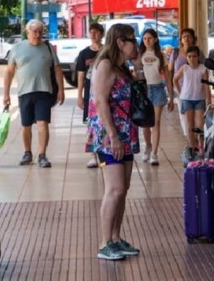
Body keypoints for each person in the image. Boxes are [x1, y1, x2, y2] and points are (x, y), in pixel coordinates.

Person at [87, 23, 141, 261]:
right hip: (110, 136)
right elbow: (99, 102)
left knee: (124, 189)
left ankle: (116, 238)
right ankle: (105, 242)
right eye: (132, 40)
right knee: (115, 188)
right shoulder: (106, 65)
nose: (136, 44)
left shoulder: (122, 67)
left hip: (125, 133)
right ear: (120, 41)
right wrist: (113, 136)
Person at [3, 19, 65, 168]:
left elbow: (57, 70)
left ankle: (42, 155)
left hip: (44, 91)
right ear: (27, 31)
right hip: (24, 92)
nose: (37, 35)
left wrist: (61, 90)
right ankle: (27, 152)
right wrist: (6, 94)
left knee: (43, 123)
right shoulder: (17, 48)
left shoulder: (48, 48)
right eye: (34, 31)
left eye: (40, 32)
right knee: (26, 125)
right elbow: (9, 73)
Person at [135, 29, 175, 166]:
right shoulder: (139, 55)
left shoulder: (161, 55)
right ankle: (148, 145)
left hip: (157, 88)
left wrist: (171, 96)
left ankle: (154, 153)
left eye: (150, 38)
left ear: (156, 39)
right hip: (144, 89)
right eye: (145, 38)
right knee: (145, 123)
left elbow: (168, 78)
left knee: (155, 122)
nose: (147, 41)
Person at [173, 45, 211, 160]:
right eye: (189, 56)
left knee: (199, 125)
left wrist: (208, 100)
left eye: (194, 56)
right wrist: (180, 93)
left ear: (198, 57)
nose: (192, 59)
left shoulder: (203, 69)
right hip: (187, 99)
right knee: (189, 125)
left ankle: (200, 146)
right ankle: (191, 148)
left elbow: (206, 86)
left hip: (199, 99)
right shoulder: (184, 68)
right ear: (187, 58)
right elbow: (175, 79)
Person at [75, 22, 105, 168]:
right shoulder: (84, 54)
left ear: (102, 34)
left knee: (105, 122)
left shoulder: (107, 51)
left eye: (96, 32)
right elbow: (80, 76)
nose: (93, 35)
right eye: (91, 32)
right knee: (91, 125)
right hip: (90, 94)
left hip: (105, 93)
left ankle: (105, 153)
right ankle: (92, 155)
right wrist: (80, 95)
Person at [169, 28, 206, 140]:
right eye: (184, 36)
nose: (186, 38)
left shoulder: (199, 53)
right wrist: (175, 91)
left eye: (188, 36)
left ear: (193, 38)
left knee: (198, 118)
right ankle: (191, 141)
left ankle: (197, 140)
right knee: (185, 117)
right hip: (181, 89)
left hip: (196, 89)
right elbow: (170, 69)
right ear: (181, 39)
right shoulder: (176, 52)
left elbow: (204, 69)